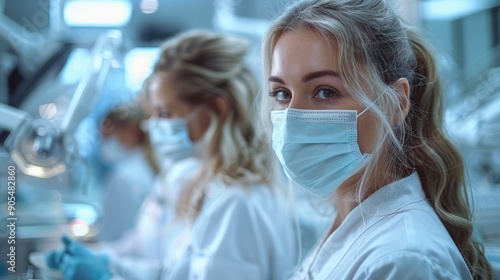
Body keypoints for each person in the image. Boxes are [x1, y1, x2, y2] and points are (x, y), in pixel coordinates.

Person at [260, 0, 495, 279]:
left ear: (395, 103)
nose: (293, 118)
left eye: (325, 92)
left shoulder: (404, 261)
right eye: (282, 94)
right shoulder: (350, 218)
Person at [45, 30, 298, 280]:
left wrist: (105, 277)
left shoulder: (236, 203)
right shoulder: (212, 185)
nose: (151, 126)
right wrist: (108, 262)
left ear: (217, 109)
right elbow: (175, 272)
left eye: (165, 114)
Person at [97, 103, 160, 242]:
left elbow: (112, 237)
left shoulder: (124, 177)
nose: (104, 144)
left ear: (130, 131)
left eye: (108, 137)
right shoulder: (149, 166)